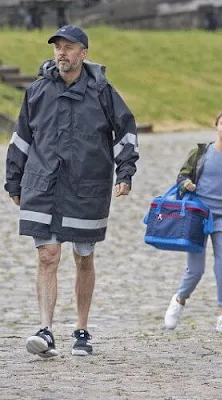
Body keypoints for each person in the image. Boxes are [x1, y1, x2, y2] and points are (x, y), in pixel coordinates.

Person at [4, 25, 139, 357]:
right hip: (42, 183)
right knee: (47, 256)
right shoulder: (36, 91)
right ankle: (45, 330)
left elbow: (126, 131)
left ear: (84, 53)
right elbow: (21, 138)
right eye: (57, 47)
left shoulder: (103, 91)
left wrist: (126, 171)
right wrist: (13, 178)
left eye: (69, 47)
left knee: (83, 257)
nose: (61, 53)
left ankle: (81, 328)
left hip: (86, 186)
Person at [164, 110, 222, 333]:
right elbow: (182, 176)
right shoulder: (201, 152)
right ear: (215, 127)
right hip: (197, 215)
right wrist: (186, 183)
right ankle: (179, 300)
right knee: (196, 269)